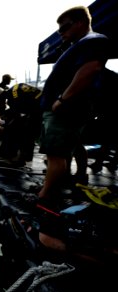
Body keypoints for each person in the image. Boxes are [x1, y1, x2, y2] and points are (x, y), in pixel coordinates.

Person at [37, 6, 110, 251]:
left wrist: (62, 101)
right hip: (63, 111)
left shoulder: (93, 41)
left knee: (56, 158)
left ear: (80, 22)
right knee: (63, 154)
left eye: (65, 27)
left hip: (64, 111)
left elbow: (91, 70)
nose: (62, 34)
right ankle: (50, 195)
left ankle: (44, 201)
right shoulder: (80, 45)